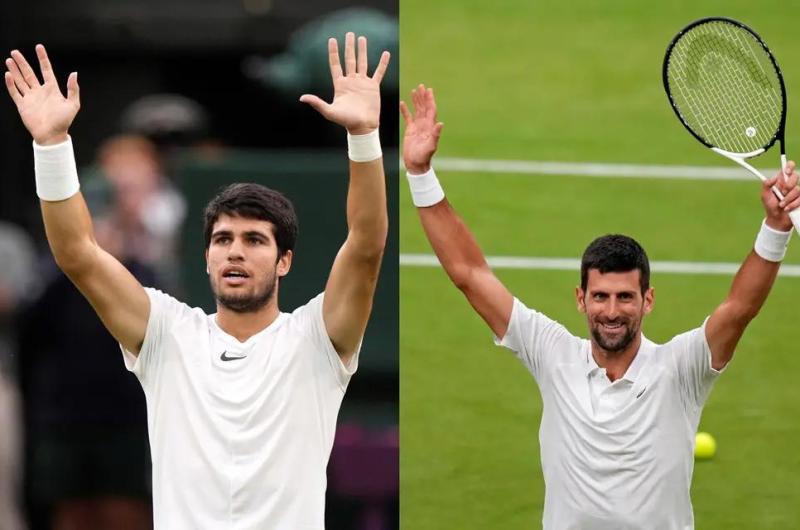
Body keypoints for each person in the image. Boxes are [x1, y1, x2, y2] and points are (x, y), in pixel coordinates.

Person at [4, 33, 390, 529]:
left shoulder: (317, 337)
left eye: (255, 240)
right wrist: (52, 144)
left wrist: (363, 136)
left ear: (285, 262)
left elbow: (366, 245)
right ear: (206, 258)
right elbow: (77, 253)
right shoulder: (167, 331)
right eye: (223, 239)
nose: (235, 250)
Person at [400, 84, 800, 529]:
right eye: (601, 297)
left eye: (625, 297)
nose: (612, 311)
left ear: (647, 300)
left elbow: (739, 308)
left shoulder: (680, 369)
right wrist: (420, 174)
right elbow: (469, 274)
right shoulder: (552, 354)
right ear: (581, 299)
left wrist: (775, 227)